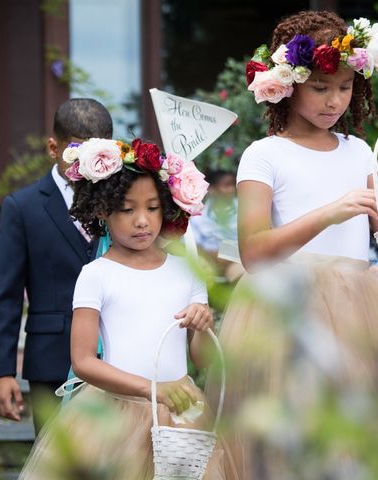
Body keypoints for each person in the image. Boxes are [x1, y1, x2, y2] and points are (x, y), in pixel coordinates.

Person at [207, 10, 378, 479]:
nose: (334, 100)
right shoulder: (264, 155)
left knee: (361, 441)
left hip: (360, 308)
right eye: (320, 87)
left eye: (344, 87)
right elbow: (254, 252)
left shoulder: (358, 150)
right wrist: (329, 213)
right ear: (290, 84)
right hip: (286, 310)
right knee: (292, 443)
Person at [19, 137, 230, 479]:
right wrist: (152, 390)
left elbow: (205, 360)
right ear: (103, 211)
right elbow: (84, 361)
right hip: (113, 415)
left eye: (151, 208)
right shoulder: (96, 275)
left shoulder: (187, 273)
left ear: (168, 207)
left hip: (180, 412)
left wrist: (202, 326)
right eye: (127, 209)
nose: (142, 221)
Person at [0, 98, 113, 434]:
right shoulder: (22, 207)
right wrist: (2, 372)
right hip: (51, 361)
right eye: (76, 154)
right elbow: (6, 295)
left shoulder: (122, 202)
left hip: (120, 357)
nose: (86, 164)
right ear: (53, 147)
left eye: (96, 154)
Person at [189, 169, 243, 282]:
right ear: (212, 189)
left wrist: (224, 254)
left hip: (242, 265)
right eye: (227, 185)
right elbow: (194, 247)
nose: (232, 189)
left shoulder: (245, 208)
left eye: (233, 185)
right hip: (209, 268)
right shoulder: (198, 216)